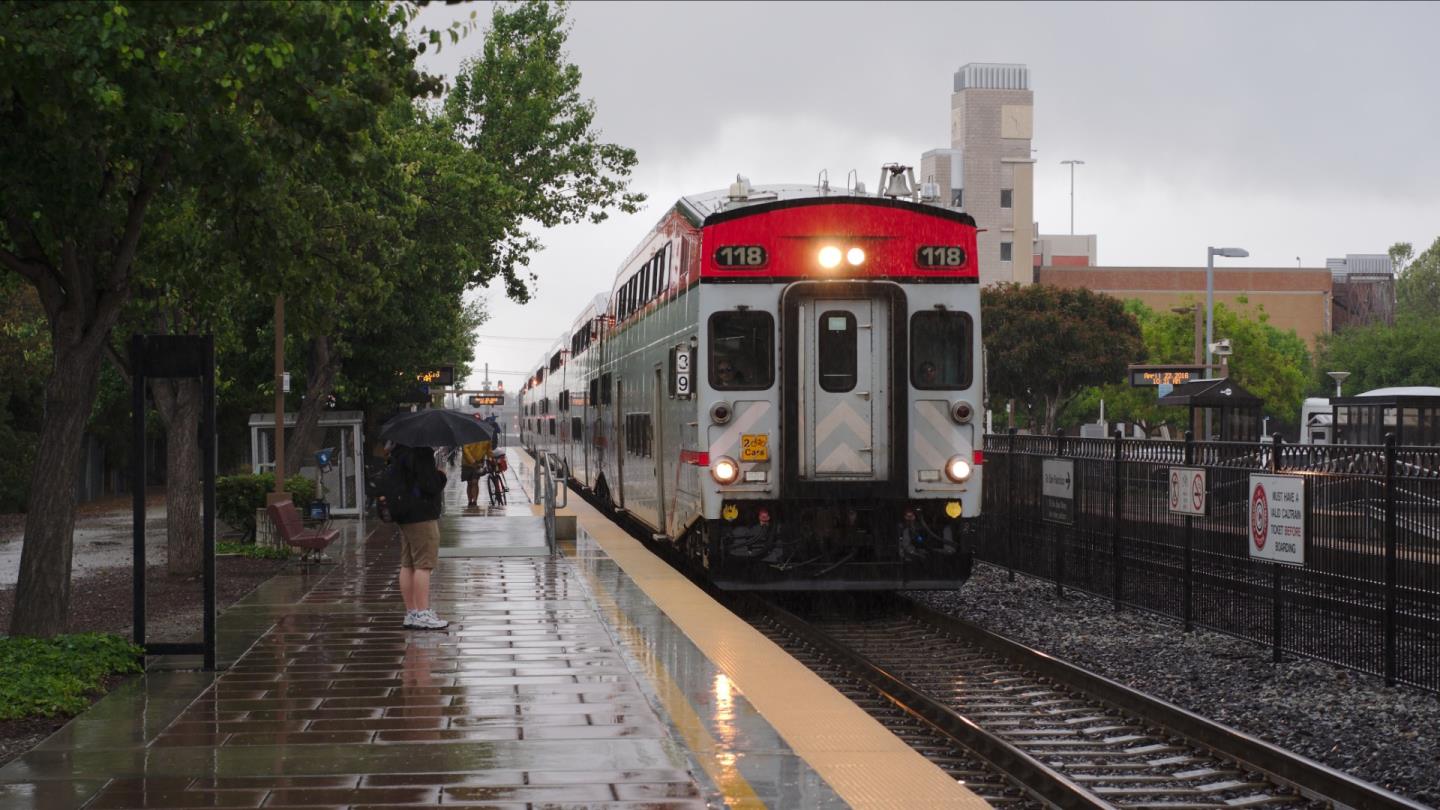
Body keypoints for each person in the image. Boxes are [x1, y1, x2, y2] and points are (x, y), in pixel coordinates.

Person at [383, 445, 450, 630]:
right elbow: (430, 485)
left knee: (408, 564)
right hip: (422, 515)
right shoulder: (421, 453)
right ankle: (422, 613)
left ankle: (412, 612)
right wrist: (441, 475)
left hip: (405, 515)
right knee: (424, 565)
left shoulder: (399, 452)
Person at [460, 438, 492, 508]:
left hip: (478, 463)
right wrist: (472, 461)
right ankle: (469, 501)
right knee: (469, 483)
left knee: (475, 482)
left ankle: (474, 501)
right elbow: (465, 449)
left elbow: (488, 449)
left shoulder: (486, 438)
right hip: (467, 463)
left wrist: (490, 458)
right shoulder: (468, 437)